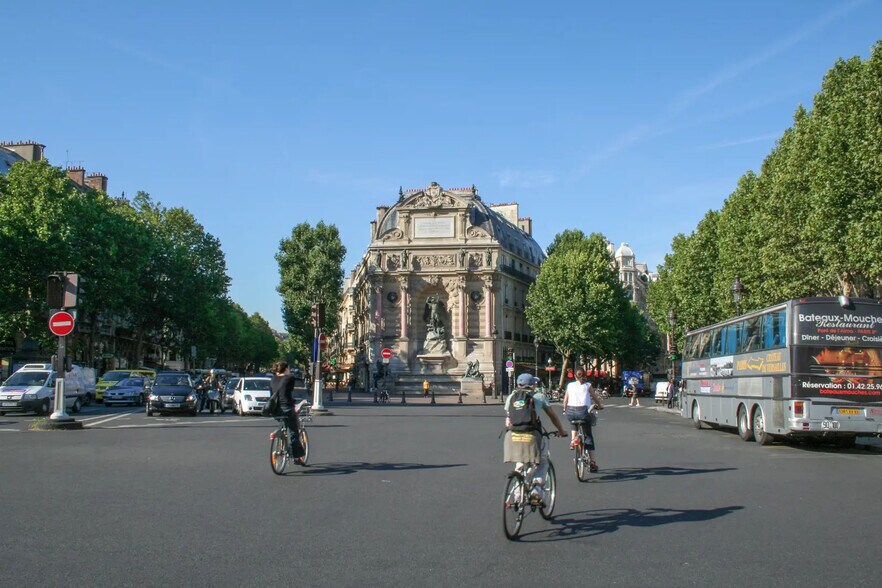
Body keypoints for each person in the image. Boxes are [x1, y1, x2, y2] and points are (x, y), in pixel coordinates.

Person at [504, 373, 568, 505]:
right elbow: (553, 417)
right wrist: (561, 431)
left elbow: (510, 418)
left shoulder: (511, 397)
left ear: (518, 384)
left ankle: (516, 497)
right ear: (532, 385)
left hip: (512, 437)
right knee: (543, 461)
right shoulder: (539, 397)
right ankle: (536, 491)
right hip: (532, 435)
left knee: (520, 464)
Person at [561, 368, 602, 473]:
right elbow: (595, 397)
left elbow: (565, 399)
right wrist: (600, 405)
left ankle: (573, 440)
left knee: (573, 420)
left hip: (570, 411)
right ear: (584, 376)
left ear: (575, 376)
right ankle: (593, 462)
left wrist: (564, 409)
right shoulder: (588, 385)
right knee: (588, 435)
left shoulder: (570, 385)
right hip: (583, 411)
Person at [270, 361, 301, 458]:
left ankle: (280, 435)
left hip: (275, 408)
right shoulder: (290, 378)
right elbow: (289, 391)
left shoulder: (273, 379)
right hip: (287, 407)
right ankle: (296, 456)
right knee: (293, 432)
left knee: (283, 423)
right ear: (286, 369)